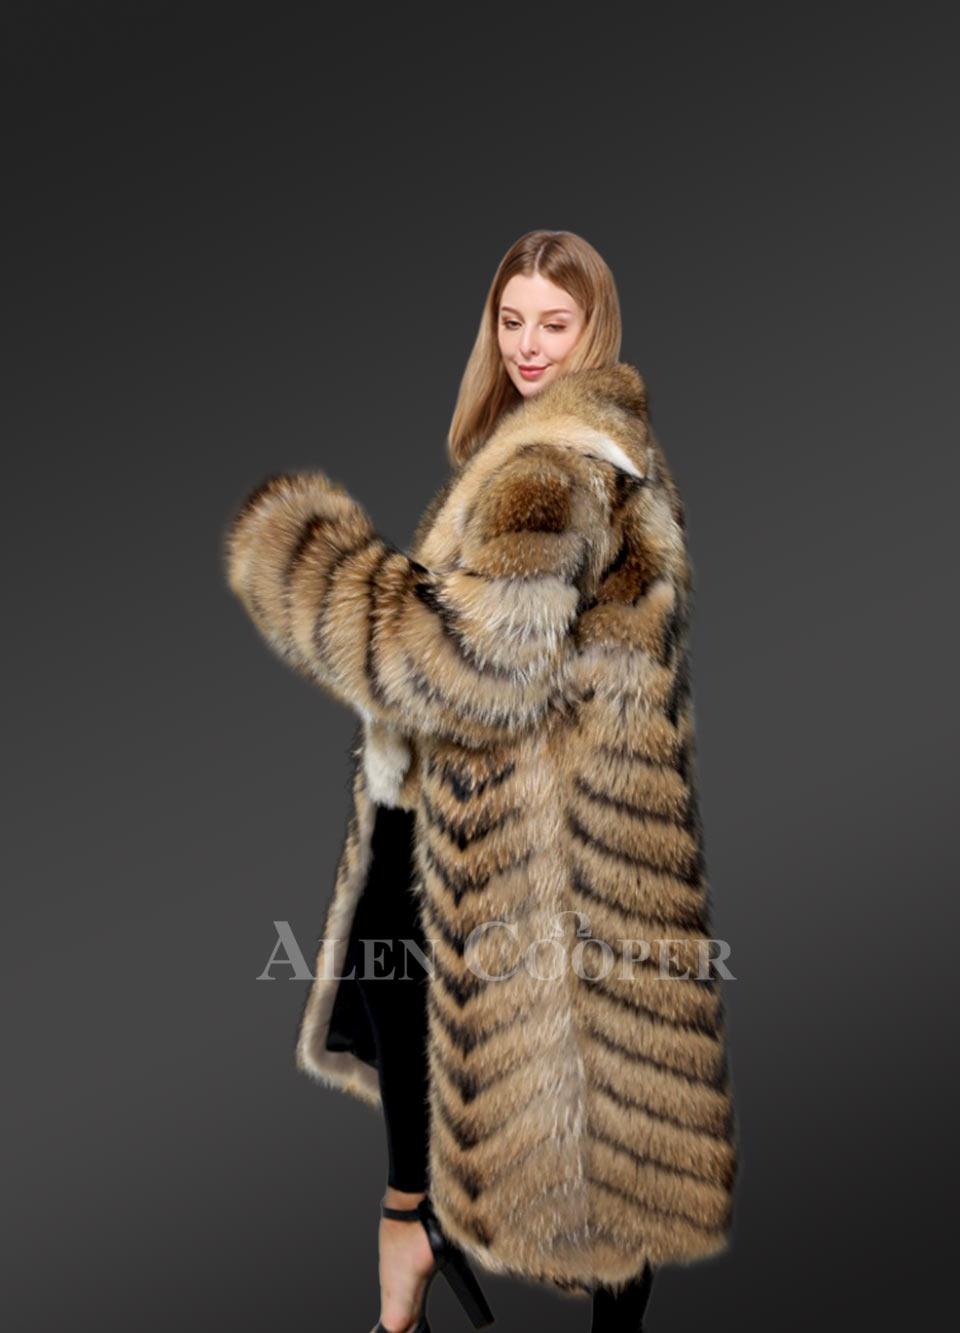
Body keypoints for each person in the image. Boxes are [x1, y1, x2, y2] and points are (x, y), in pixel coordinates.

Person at [223, 230, 738, 1333]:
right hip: (566, 830)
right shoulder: (594, 453)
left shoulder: (555, 470)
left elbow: (471, 663)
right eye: (511, 320)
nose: (527, 345)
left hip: (525, 833)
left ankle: (411, 1241)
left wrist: (307, 564)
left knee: (524, 1077)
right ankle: (417, 1235)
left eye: (555, 322)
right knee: (578, 1101)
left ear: (595, 328)